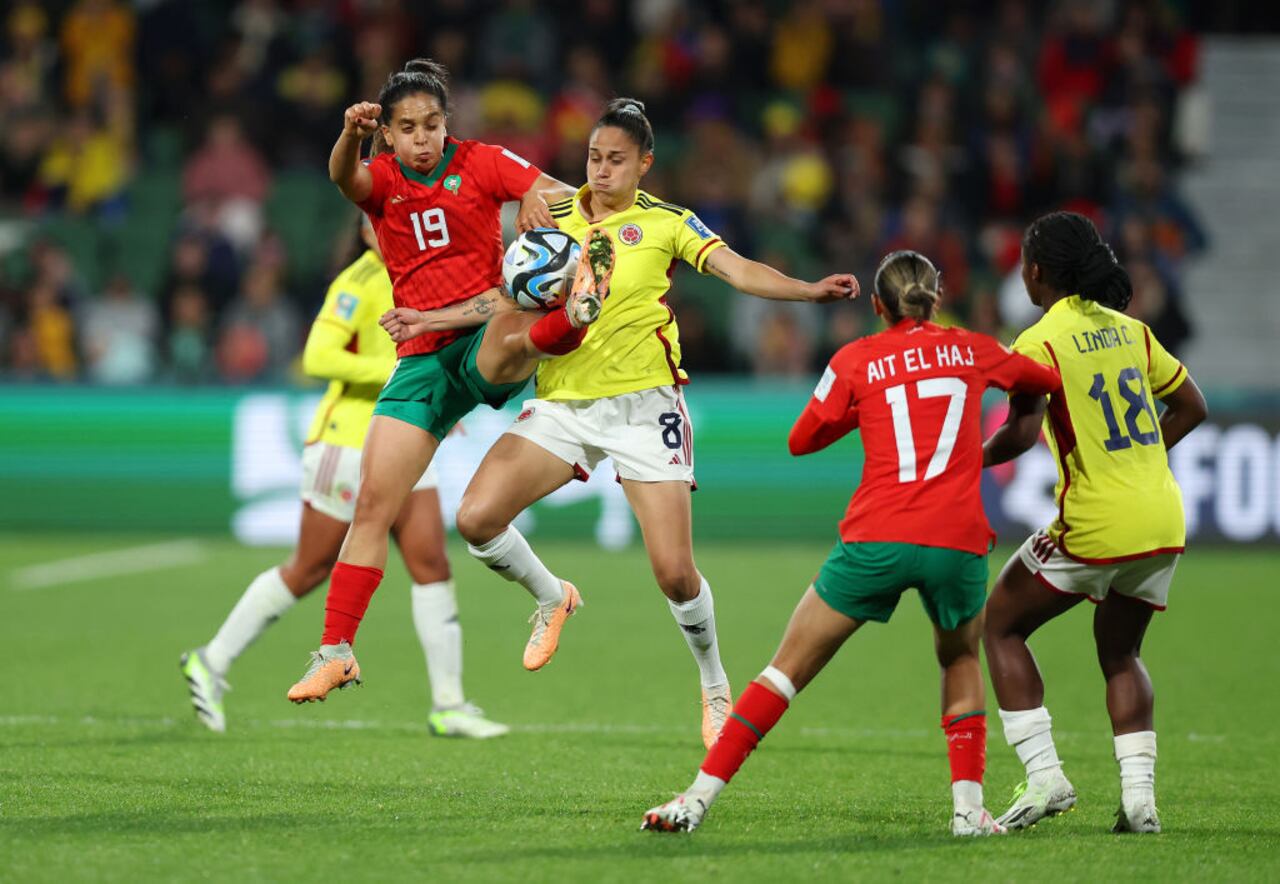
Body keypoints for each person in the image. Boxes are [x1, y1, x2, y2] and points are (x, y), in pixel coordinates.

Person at [384, 98, 859, 749]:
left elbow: (736, 269)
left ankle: (716, 685)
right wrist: (428, 320)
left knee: (674, 573)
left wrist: (806, 289)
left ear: (644, 163)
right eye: (593, 158)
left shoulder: (666, 222)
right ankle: (553, 597)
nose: (601, 171)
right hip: (564, 404)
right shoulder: (553, 212)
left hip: (644, 407)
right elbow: (510, 292)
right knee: (476, 519)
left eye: (615, 160)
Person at [640, 249, 1062, 836]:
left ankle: (696, 799)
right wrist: (1019, 417)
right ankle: (969, 812)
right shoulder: (975, 348)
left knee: (784, 671)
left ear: (876, 304)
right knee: (960, 658)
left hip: (878, 538)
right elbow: (1046, 380)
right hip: (957, 541)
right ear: (937, 298)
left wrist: (860, 410)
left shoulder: (856, 358)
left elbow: (801, 440)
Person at [286, 58, 587, 703]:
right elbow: (344, 175)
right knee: (371, 506)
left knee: (517, 313)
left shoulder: (480, 161)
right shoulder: (383, 178)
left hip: (482, 339)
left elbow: (563, 193)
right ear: (387, 135)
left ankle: (571, 323)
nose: (422, 138)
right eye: (407, 128)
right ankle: (336, 652)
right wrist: (348, 136)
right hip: (421, 361)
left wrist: (540, 193)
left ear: (447, 124)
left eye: (432, 124)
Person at [183, 219, 507, 738]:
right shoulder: (357, 282)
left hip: (404, 436)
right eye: (377, 219)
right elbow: (317, 356)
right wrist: (403, 376)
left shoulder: (420, 275)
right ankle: (212, 659)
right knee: (309, 567)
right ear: (363, 228)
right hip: (348, 441)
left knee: (430, 562)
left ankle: (449, 704)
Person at [980, 211, 1207, 834]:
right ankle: (1140, 803)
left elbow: (1021, 434)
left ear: (1038, 271)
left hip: (1096, 521)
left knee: (999, 625)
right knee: (1121, 652)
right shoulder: (1131, 331)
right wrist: (1143, 460)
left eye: (1024, 263)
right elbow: (1193, 405)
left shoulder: (1039, 341)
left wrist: (964, 462)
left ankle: (1046, 775)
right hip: (1161, 517)